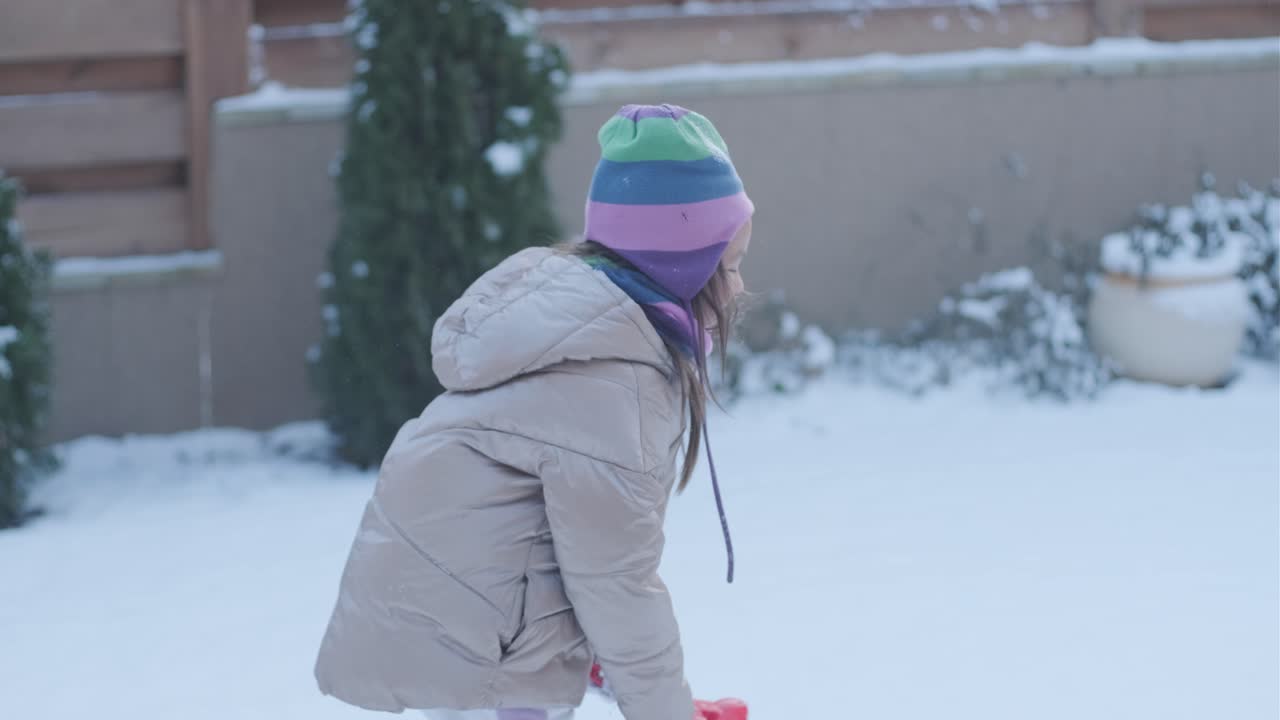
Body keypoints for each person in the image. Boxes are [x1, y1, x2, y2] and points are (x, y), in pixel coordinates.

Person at [314, 103, 754, 720]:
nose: (737, 287)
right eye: (727, 266)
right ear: (680, 263)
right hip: (480, 657)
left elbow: (556, 544)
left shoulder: (575, 338)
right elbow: (616, 585)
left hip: (454, 629)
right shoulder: (612, 385)